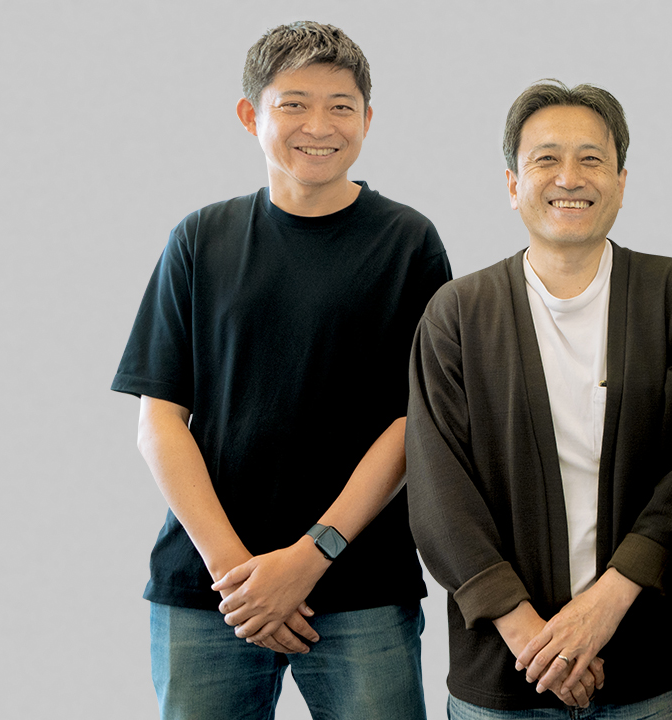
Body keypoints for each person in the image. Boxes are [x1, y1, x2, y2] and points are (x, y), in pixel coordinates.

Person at [111, 21, 450, 719]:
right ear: (251, 115)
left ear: (367, 119)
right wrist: (239, 576)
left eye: (340, 106)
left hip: (360, 588)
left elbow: (415, 421)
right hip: (210, 592)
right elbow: (159, 419)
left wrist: (310, 557)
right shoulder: (199, 238)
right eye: (293, 104)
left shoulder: (408, 242)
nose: (318, 126)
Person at [406, 79, 672, 718]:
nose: (569, 178)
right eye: (546, 159)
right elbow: (439, 492)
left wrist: (601, 611)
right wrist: (534, 640)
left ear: (621, 183)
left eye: (591, 159)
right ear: (512, 184)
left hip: (651, 673)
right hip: (505, 677)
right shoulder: (458, 314)